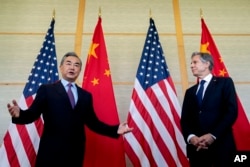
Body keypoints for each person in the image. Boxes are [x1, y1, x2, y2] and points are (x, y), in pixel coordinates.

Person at [7, 52, 133, 167]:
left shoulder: (85, 96)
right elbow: (32, 114)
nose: (72, 67)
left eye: (76, 65)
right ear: (61, 68)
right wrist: (20, 114)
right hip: (50, 153)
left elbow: (93, 123)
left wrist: (115, 129)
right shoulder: (47, 89)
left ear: (79, 70)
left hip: (75, 154)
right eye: (68, 63)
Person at [180, 52, 237, 167]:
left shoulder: (225, 83)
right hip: (197, 150)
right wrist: (191, 138)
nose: (191, 65)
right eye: (191, 63)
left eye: (195, 62)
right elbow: (185, 120)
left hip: (222, 147)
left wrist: (213, 135)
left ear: (206, 64)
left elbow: (231, 112)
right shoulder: (190, 92)